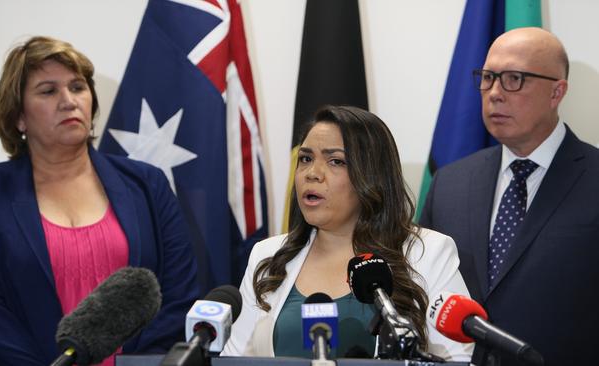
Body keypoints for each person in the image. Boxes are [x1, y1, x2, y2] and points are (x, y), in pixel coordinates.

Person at [0, 36, 199, 366]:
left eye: (78, 87)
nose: (69, 101)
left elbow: (179, 295)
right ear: (19, 117)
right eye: (48, 91)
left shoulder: (147, 184)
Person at [222, 105, 472, 361]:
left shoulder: (428, 252)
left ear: (372, 175)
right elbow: (234, 358)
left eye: (336, 161)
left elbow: (458, 359)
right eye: (306, 159)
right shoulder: (268, 256)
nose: (312, 174)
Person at [420, 27, 599, 366]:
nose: (495, 93)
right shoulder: (450, 182)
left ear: (556, 92)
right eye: (488, 77)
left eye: (514, 78)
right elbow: (419, 287)